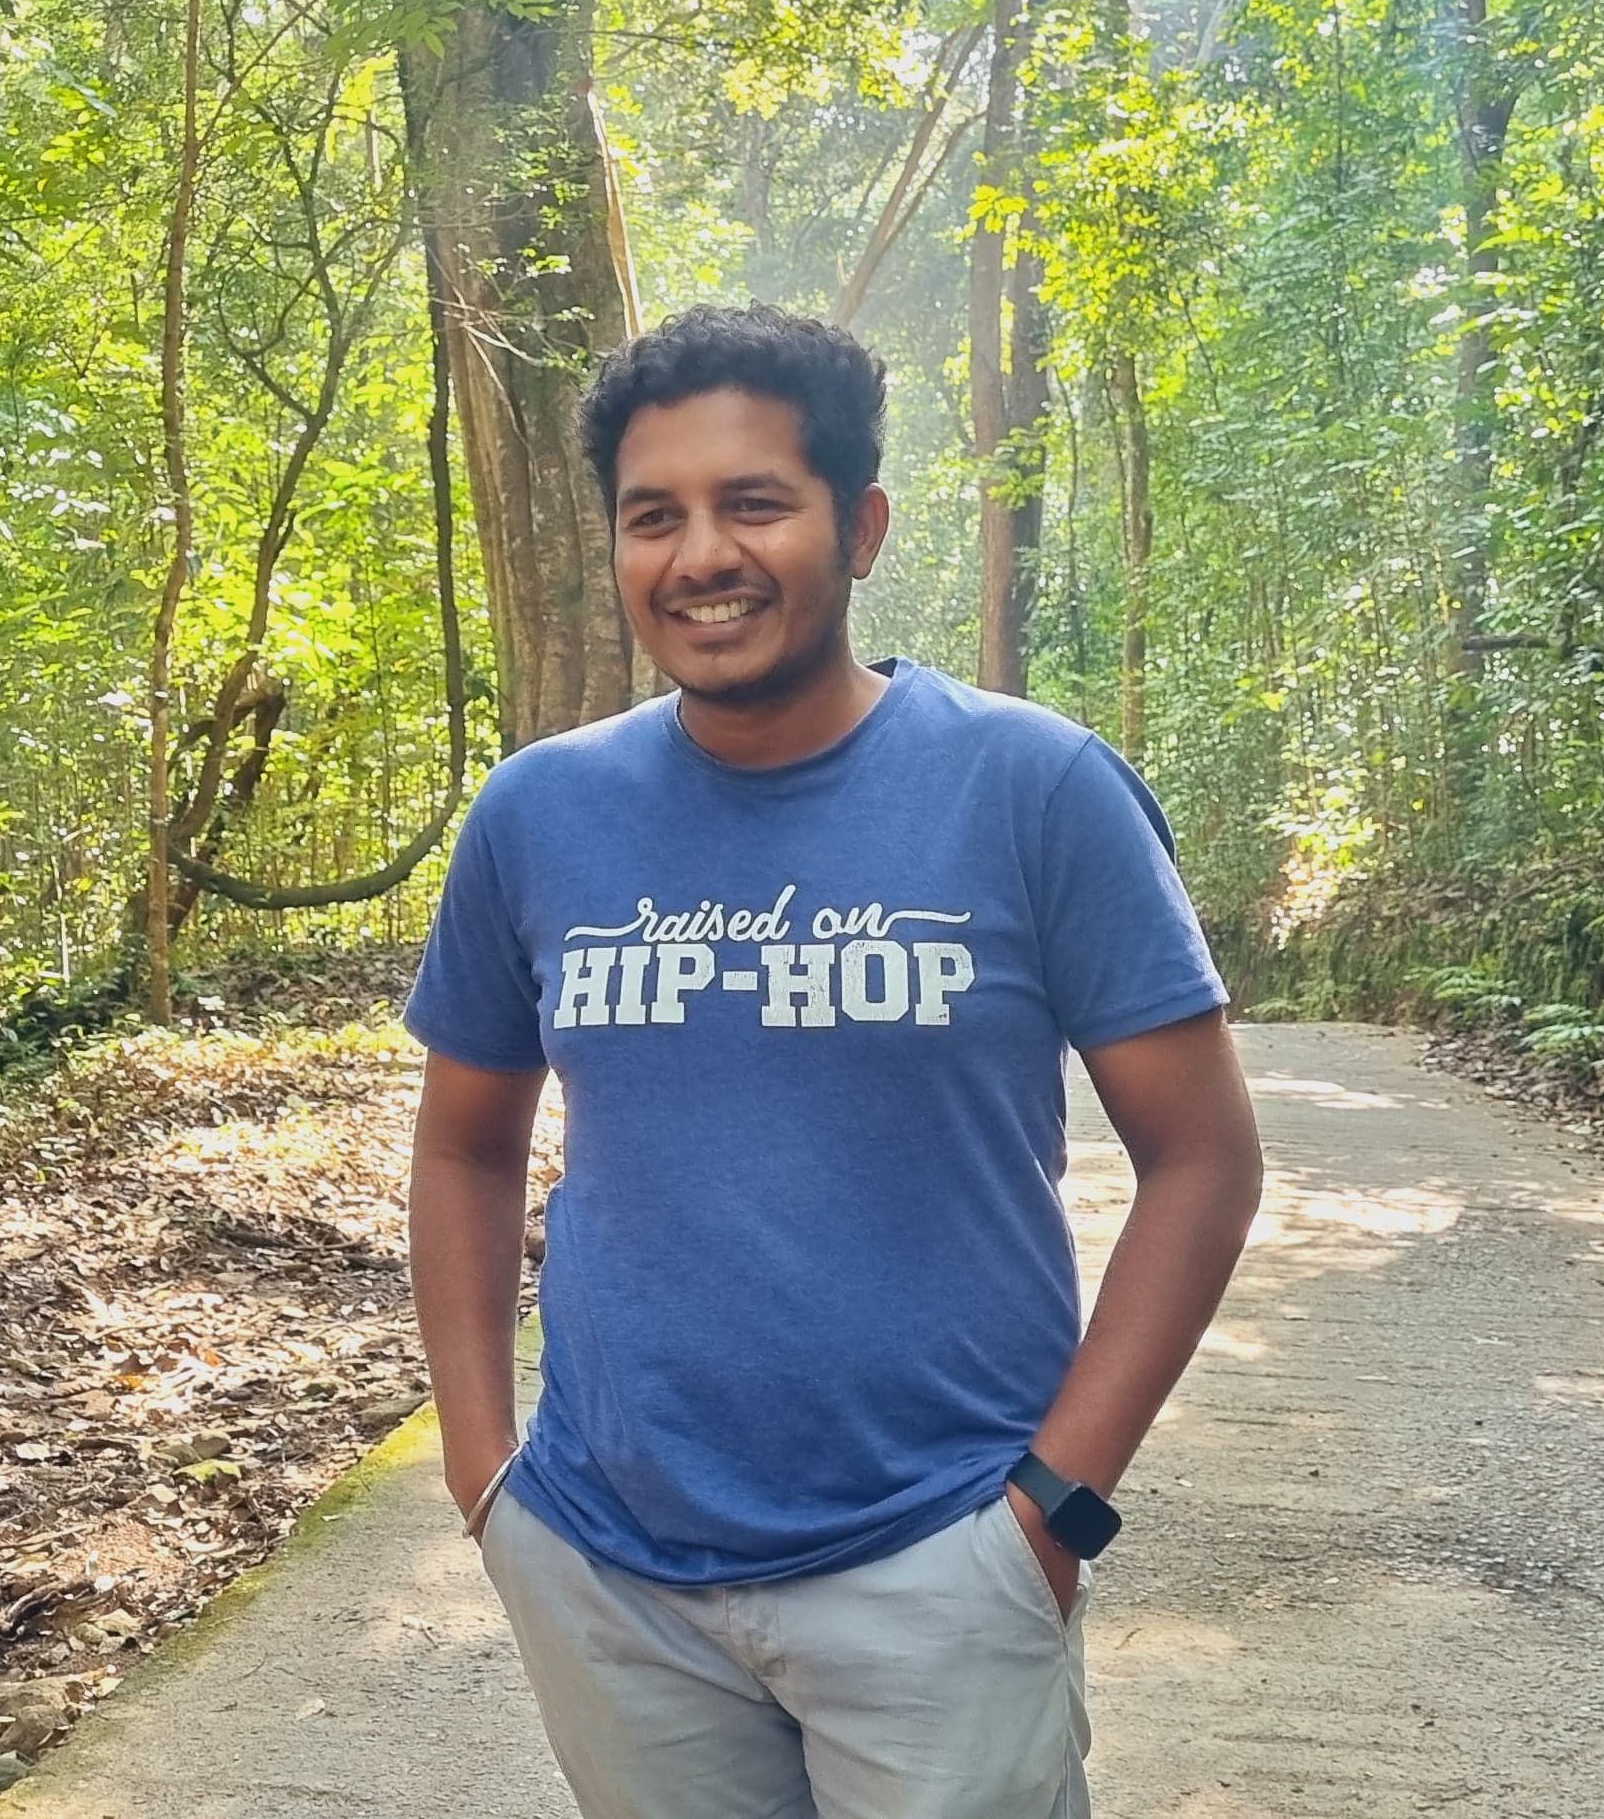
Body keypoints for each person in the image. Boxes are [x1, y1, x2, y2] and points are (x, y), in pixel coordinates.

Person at [403, 302, 1267, 1818]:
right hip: (612, 1568)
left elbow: (1203, 1160)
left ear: (859, 529)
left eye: (755, 504)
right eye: (654, 516)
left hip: (942, 1555)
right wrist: (488, 1479)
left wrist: (1052, 1508)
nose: (701, 557)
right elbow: (465, 1145)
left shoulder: (1035, 788)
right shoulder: (539, 814)